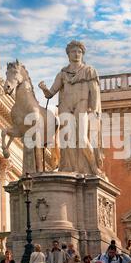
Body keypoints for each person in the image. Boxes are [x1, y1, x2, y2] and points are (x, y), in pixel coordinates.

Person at [39, 40, 104, 175]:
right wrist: (44, 88)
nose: (76, 54)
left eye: (79, 52)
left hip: (82, 105)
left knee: (81, 138)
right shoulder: (63, 74)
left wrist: (95, 109)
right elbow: (50, 93)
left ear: (82, 54)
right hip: (65, 107)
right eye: (73, 51)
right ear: (68, 54)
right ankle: (69, 167)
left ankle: (93, 168)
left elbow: (95, 91)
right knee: (67, 139)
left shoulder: (89, 71)